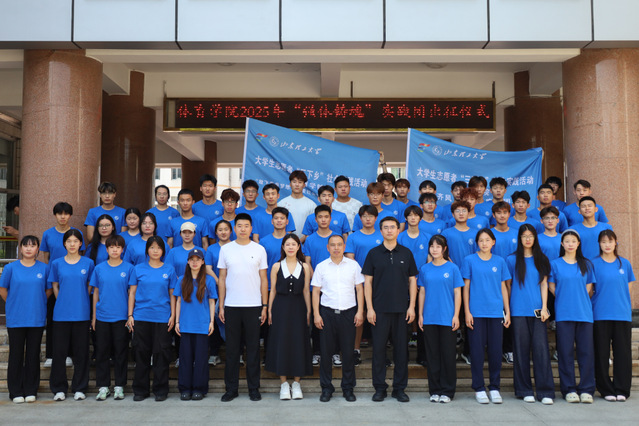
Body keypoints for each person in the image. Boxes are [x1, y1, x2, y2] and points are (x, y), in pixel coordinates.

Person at [363, 217, 418, 403]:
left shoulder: (406, 253)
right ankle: (379, 388)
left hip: (402, 310)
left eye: (392, 227)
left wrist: (411, 307)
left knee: (401, 352)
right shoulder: (373, 253)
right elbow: (367, 282)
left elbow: (412, 281)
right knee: (378, 351)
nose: (389, 230)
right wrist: (369, 308)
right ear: (381, 231)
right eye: (385, 227)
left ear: (398, 230)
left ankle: (399, 389)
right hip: (379, 310)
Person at [217, 213, 268, 402]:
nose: (243, 229)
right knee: (232, 350)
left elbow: (264, 279)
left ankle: (254, 388)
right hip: (232, 305)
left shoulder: (259, 249)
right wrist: (222, 305)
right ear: (235, 228)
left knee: (253, 349)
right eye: (239, 225)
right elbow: (222, 278)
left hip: (253, 306)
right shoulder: (226, 249)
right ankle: (231, 389)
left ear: (251, 228)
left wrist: (264, 305)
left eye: (246, 226)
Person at [312, 234, 365, 403]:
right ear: (327, 247)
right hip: (327, 313)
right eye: (333, 245)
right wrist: (316, 314)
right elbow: (315, 291)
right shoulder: (321, 266)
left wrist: (360, 311)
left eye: (339, 245)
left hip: (348, 313)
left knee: (348, 353)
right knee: (326, 353)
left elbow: (359, 289)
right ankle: (326, 388)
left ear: (344, 247)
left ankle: (348, 388)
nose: (336, 248)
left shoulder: (353, 265)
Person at [505, 225, 555, 405]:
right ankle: (524, 390)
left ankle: (545, 391)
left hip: (537, 311)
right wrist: (508, 310)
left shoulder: (542, 258)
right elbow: (508, 286)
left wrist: (544, 307)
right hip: (518, 310)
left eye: (530, 236)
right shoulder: (511, 260)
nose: (527, 239)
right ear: (519, 238)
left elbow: (544, 284)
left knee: (541, 350)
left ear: (535, 238)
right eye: (524, 236)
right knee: (521, 351)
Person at [462, 228, 511, 404]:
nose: (484, 243)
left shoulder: (500, 261)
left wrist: (507, 311)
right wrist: (467, 312)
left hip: (495, 312)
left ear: (493, 242)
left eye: (487, 240)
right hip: (476, 312)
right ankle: (479, 387)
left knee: (496, 351)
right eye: (481, 240)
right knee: (476, 352)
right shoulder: (469, 260)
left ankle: (495, 387)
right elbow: (466, 287)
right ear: (477, 243)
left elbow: (503, 287)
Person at [0, 236, 51, 403]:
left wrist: (36, 302)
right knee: (15, 354)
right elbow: (3, 289)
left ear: (38, 249)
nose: (29, 249)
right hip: (16, 318)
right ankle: (15, 391)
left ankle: (31, 390)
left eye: (33, 245)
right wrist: (14, 302)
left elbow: (48, 290)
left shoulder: (44, 268)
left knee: (33, 354)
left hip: (36, 317)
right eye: (25, 245)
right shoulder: (10, 268)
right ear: (20, 248)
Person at [126, 236, 177, 402]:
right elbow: (132, 293)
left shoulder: (169, 269)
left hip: (162, 317)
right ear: (147, 250)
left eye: (159, 248)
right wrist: (130, 315)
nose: (155, 251)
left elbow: (172, 294)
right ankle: (140, 390)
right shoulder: (138, 269)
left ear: (163, 251)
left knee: (161, 353)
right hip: (141, 316)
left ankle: (161, 390)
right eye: (152, 247)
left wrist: (173, 315)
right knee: (141, 353)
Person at [548, 230, 596, 403]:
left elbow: (589, 288)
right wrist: (564, 297)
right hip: (564, 314)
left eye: (573, 241)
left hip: (584, 314)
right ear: (562, 244)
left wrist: (578, 299)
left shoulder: (586, 264)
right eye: (567, 241)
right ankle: (569, 389)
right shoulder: (555, 264)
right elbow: (551, 286)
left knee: (586, 353)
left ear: (578, 244)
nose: (570, 244)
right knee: (565, 353)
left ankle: (587, 389)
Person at [48, 229, 95, 402]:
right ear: (64, 244)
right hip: (61, 314)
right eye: (69, 241)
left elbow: (90, 285)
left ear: (81, 243)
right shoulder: (57, 263)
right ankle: (59, 388)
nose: (72, 244)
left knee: (81, 353)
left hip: (81, 313)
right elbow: (55, 285)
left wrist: (81, 298)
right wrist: (62, 299)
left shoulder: (88, 263)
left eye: (76, 241)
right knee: (59, 353)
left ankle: (80, 388)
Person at [417, 235, 463, 403]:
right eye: (432, 246)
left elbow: (457, 293)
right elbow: (422, 292)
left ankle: (447, 391)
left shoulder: (452, 268)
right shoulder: (425, 269)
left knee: (448, 355)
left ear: (444, 249)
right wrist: (420, 314)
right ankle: (435, 390)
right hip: (429, 317)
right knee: (432, 355)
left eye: (438, 246)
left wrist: (456, 315)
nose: (434, 249)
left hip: (447, 318)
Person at [266, 234, 313, 400]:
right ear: (283, 247)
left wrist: (308, 311)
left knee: (298, 342)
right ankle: (284, 384)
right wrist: (269, 310)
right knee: (282, 342)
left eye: (294, 244)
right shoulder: (276, 266)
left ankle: (297, 383)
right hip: (280, 307)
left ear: (299, 246)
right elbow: (273, 290)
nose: (291, 247)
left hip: (299, 307)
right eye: (288, 244)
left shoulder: (304, 267)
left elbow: (306, 290)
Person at [591, 230, 635, 402]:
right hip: (600, 314)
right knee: (601, 354)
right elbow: (590, 289)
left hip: (622, 315)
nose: (607, 245)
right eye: (603, 242)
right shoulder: (593, 264)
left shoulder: (625, 263)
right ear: (599, 244)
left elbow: (628, 287)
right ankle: (605, 389)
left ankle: (622, 388)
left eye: (610, 241)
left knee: (623, 353)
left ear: (616, 242)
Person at [41, 202, 85, 367]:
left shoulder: (76, 234)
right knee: (53, 318)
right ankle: (51, 355)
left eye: (66, 213)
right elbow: (46, 257)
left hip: (73, 283)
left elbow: (80, 256)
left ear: (70, 215)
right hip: (55, 281)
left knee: (73, 322)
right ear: (55, 215)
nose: (63, 216)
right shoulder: (48, 234)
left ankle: (69, 354)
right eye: (59, 213)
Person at [90, 235, 134, 401]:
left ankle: (119, 386)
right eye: (111, 247)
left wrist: (130, 315)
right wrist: (94, 317)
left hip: (121, 317)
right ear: (106, 249)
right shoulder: (99, 268)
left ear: (122, 249)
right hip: (102, 316)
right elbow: (96, 293)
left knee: (121, 352)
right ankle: (103, 386)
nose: (115, 250)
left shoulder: (129, 268)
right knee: (102, 352)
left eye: (118, 247)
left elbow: (131, 293)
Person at [174, 248, 217, 401]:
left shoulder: (209, 280)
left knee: (200, 359)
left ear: (203, 261)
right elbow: (178, 301)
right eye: (192, 259)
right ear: (187, 262)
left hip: (202, 325)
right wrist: (177, 321)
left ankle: (199, 388)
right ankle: (185, 388)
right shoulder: (181, 279)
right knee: (185, 359)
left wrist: (211, 322)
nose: (194, 262)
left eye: (197, 259)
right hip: (186, 324)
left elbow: (211, 302)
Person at [345, 205, 383, 364]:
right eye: (365, 216)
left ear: (376, 218)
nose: (368, 219)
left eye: (371, 216)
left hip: (380, 282)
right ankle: (356, 350)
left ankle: (380, 353)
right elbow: (350, 258)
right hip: (358, 282)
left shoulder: (382, 235)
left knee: (379, 317)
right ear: (360, 218)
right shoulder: (353, 237)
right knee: (359, 315)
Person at [303, 205, 338, 366]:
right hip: (316, 287)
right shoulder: (310, 239)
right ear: (315, 219)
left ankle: (335, 353)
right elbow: (307, 262)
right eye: (320, 217)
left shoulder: (336, 238)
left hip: (335, 286)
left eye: (326, 217)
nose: (323, 220)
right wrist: (318, 279)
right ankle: (317, 352)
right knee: (317, 319)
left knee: (335, 320)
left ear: (330, 218)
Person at [204, 220, 232, 366]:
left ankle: (237, 354)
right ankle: (214, 353)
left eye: (226, 229)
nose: (223, 232)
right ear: (215, 233)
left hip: (234, 290)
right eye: (220, 230)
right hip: (215, 289)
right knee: (214, 319)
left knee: (233, 321)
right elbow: (207, 268)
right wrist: (219, 281)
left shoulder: (236, 247)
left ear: (231, 231)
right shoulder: (211, 249)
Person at [280, 170, 318, 237]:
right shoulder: (281, 204)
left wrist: (302, 240)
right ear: (290, 184)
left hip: (306, 242)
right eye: (294, 182)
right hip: (285, 241)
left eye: (300, 182)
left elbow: (313, 226)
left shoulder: (312, 205)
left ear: (304, 185)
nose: (297, 185)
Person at [441, 201, 478, 267]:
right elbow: (442, 253)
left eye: (464, 211)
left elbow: (478, 254)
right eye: (457, 211)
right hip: (451, 270)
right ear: (453, 214)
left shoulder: (476, 233)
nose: (461, 213)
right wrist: (452, 267)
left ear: (468, 214)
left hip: (471, 269)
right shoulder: (446, 233)